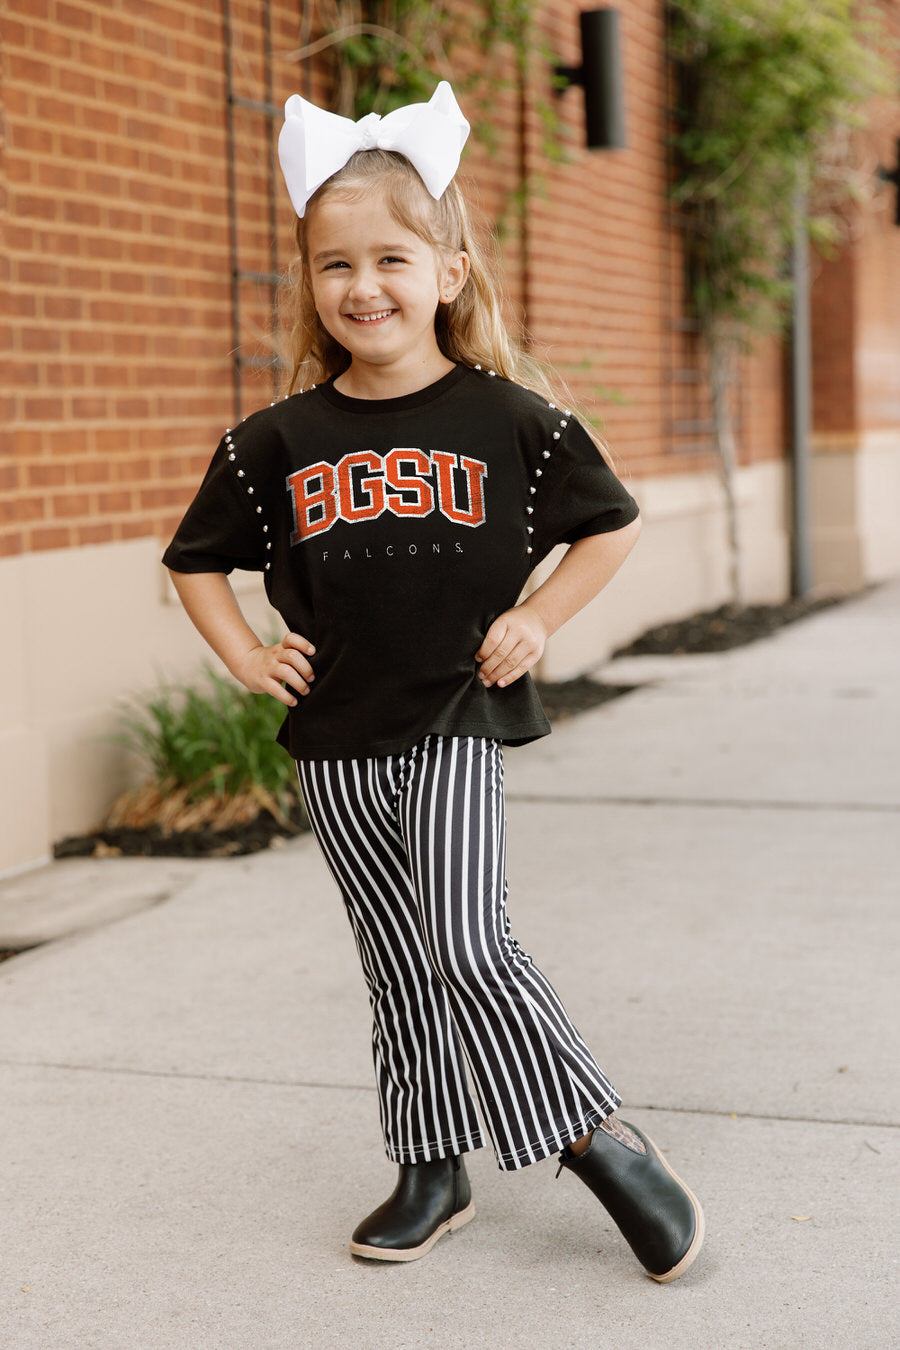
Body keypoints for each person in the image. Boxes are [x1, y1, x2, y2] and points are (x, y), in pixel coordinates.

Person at [163, 81, 704, 1282]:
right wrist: (244, 651)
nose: (364, 286)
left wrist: (538, 617)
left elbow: (610, 525)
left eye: (392, 259)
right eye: (336, 264)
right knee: (397, 962)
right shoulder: (275, 442)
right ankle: (430, 1166)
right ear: (311, 281)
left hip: (456, 715)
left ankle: (597, 1136)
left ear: (449, 273)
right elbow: (195, 561)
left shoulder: (511, 421)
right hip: (335, 734)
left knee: (466, 943)